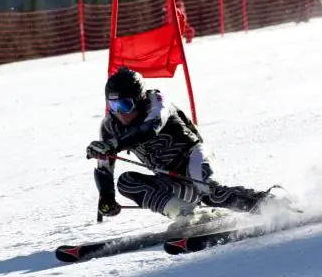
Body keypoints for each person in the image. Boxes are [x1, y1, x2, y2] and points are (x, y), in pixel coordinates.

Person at [85, 67, 271, 223]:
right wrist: (106, 197)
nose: (120, 113)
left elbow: (152, 127)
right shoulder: (110, 126)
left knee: (211, 194)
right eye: (113, 105)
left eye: (124, 106)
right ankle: (185, 215)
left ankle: (269, 205)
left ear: (140, 98)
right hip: (171, 180)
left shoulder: (156, 102)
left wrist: (114, 144)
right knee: (126, 182)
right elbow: (104, 167)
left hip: (194, 159)